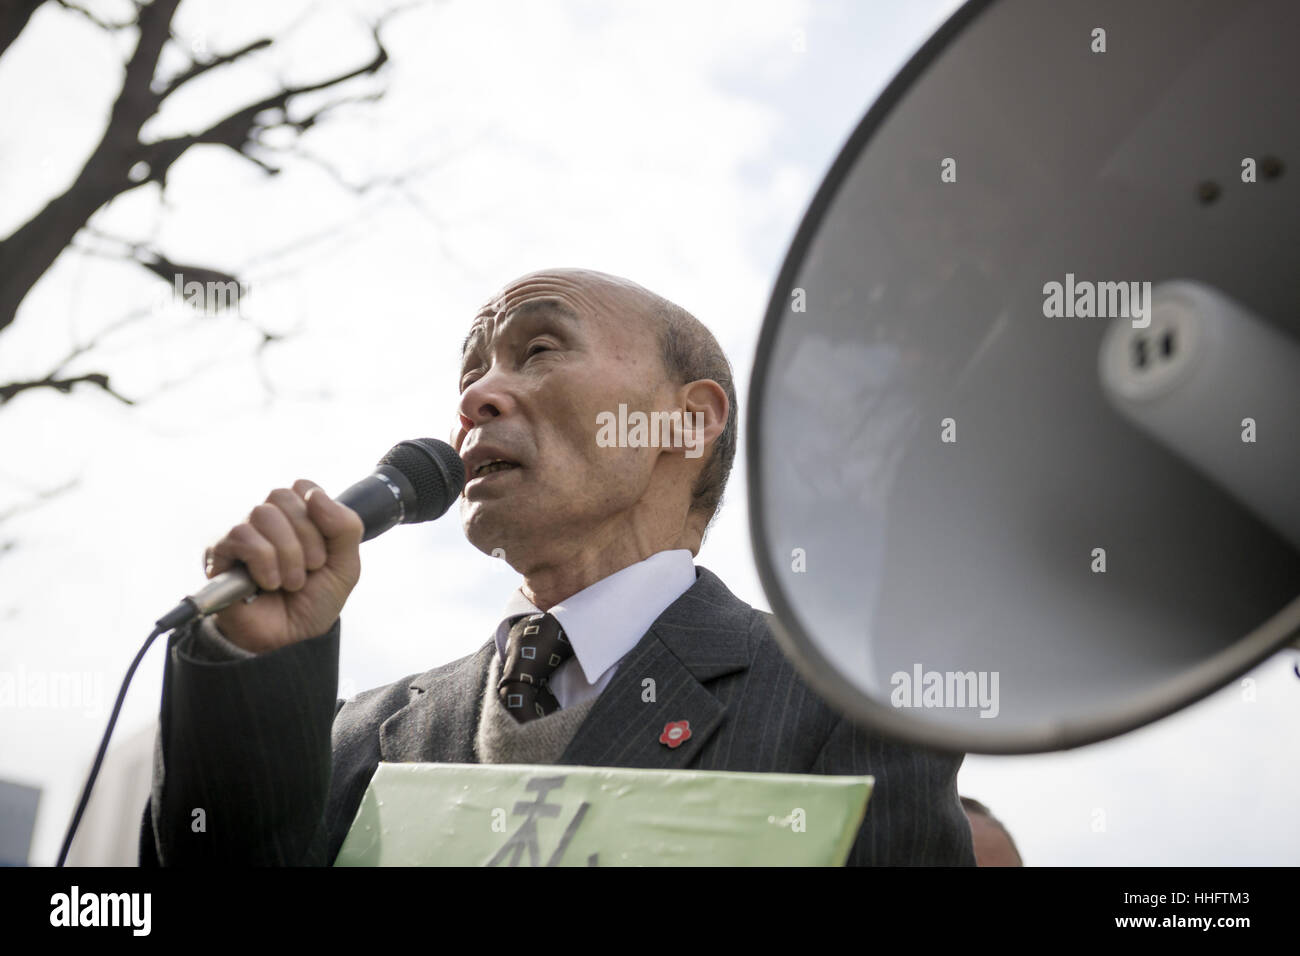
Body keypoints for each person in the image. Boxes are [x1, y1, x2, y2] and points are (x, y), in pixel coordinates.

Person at [139, 267, 975, 866]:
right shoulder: (353, 737)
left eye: (538, 349)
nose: (477, 398)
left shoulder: (844, 703)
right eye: (473, 371)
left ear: (687, 424)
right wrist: (248, 665)